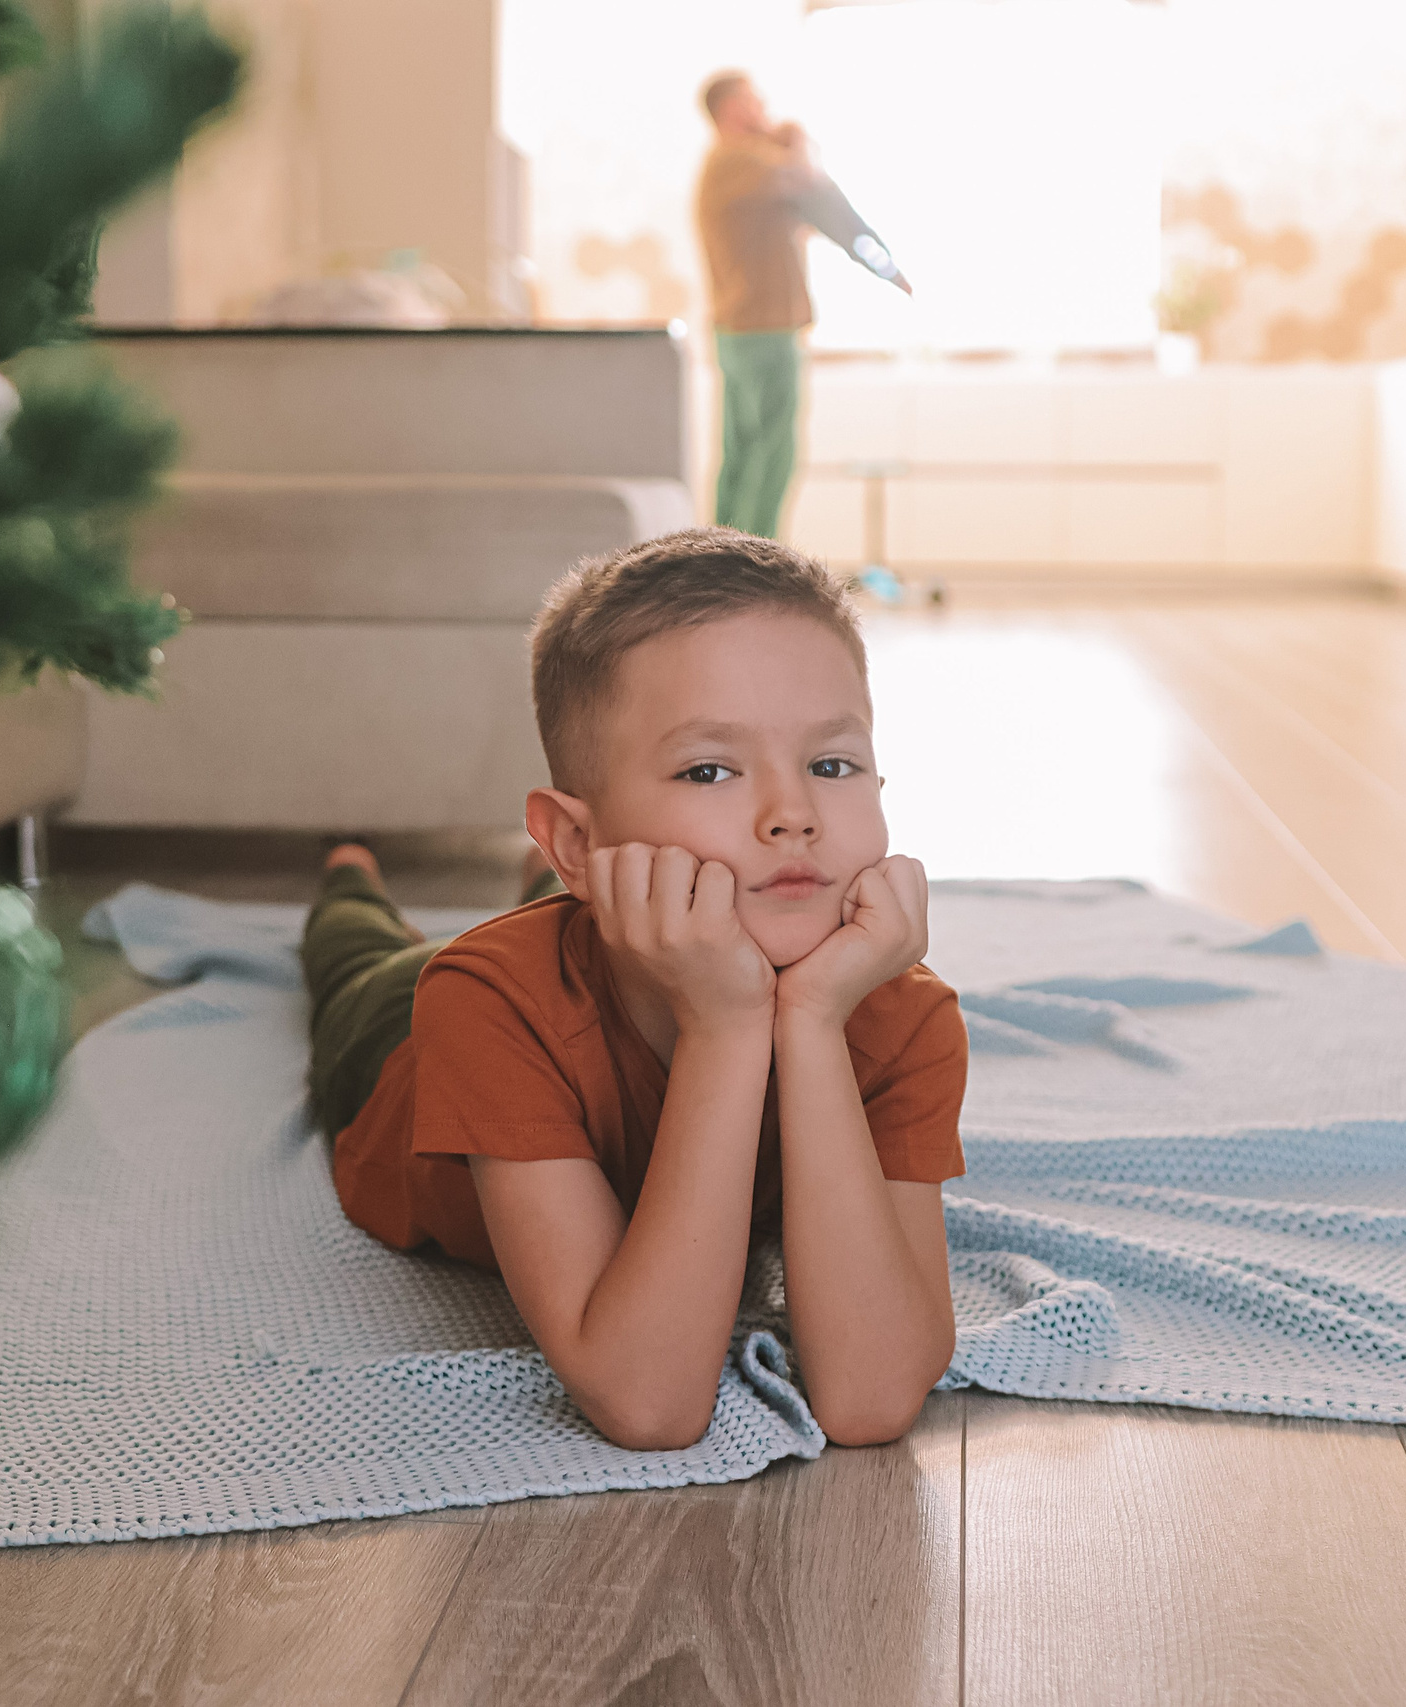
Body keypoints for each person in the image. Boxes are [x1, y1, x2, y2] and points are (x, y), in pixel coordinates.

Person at [301, 529, 965, 1451]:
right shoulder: (483, 1002)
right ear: (572, 840)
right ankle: (346, 870)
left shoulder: (898, 1012)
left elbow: (872, 1397)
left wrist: (810, 1020)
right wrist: (728, 1025)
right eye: (709, 771)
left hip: (608, 917)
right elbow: (650, 1402)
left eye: (832, 764)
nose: (794, 814)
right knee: (350, 949)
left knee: (627, 904)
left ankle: (570, 895)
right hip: (388, 1036)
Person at [694, 72, 911, 541]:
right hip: (765, 330)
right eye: (754, 100)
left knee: (741, 452)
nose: (764, 108)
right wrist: (798, 141)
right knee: (772, 454)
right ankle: (754, 570)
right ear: (731, 109)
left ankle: (719, 565)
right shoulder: (742, 159)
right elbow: (812, 185)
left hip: (736, 330)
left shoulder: (728, 165)